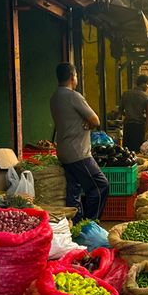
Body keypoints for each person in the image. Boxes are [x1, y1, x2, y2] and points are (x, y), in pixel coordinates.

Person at [50, 62, 108, 223]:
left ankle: (76, 224)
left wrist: (84, 122)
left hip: (63, 150)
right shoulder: (73, 96)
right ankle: (89, 223)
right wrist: (88, 123)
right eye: (76, 76)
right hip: (78, 153)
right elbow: (95, 120)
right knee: (100, 186)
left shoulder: (55, 97)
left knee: (73, 191)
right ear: (72, 77)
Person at [118, 75, 148, 151]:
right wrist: (146, 130)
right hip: (139, 126)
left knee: (127, 149)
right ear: (143, 84)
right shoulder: (146, 96)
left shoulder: (126, 94)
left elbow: (120, 110)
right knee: (138, 149)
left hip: (128, 125)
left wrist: (129, 114)